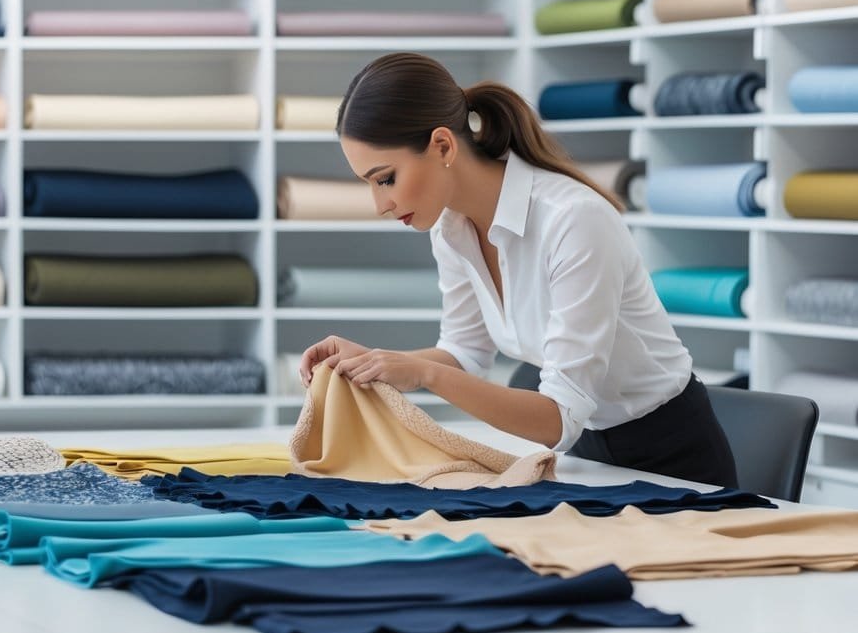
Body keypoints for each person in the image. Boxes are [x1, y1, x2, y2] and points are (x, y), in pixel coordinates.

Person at [299, 52, 738, 488]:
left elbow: (558, 419)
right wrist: (372, 363)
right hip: (588, 455)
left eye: (386, 178)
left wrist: (424, 374)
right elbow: (465, 354)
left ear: (443, 146)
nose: (380, 205)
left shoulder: (574, 220)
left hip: (675, 459)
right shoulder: (452, 227)